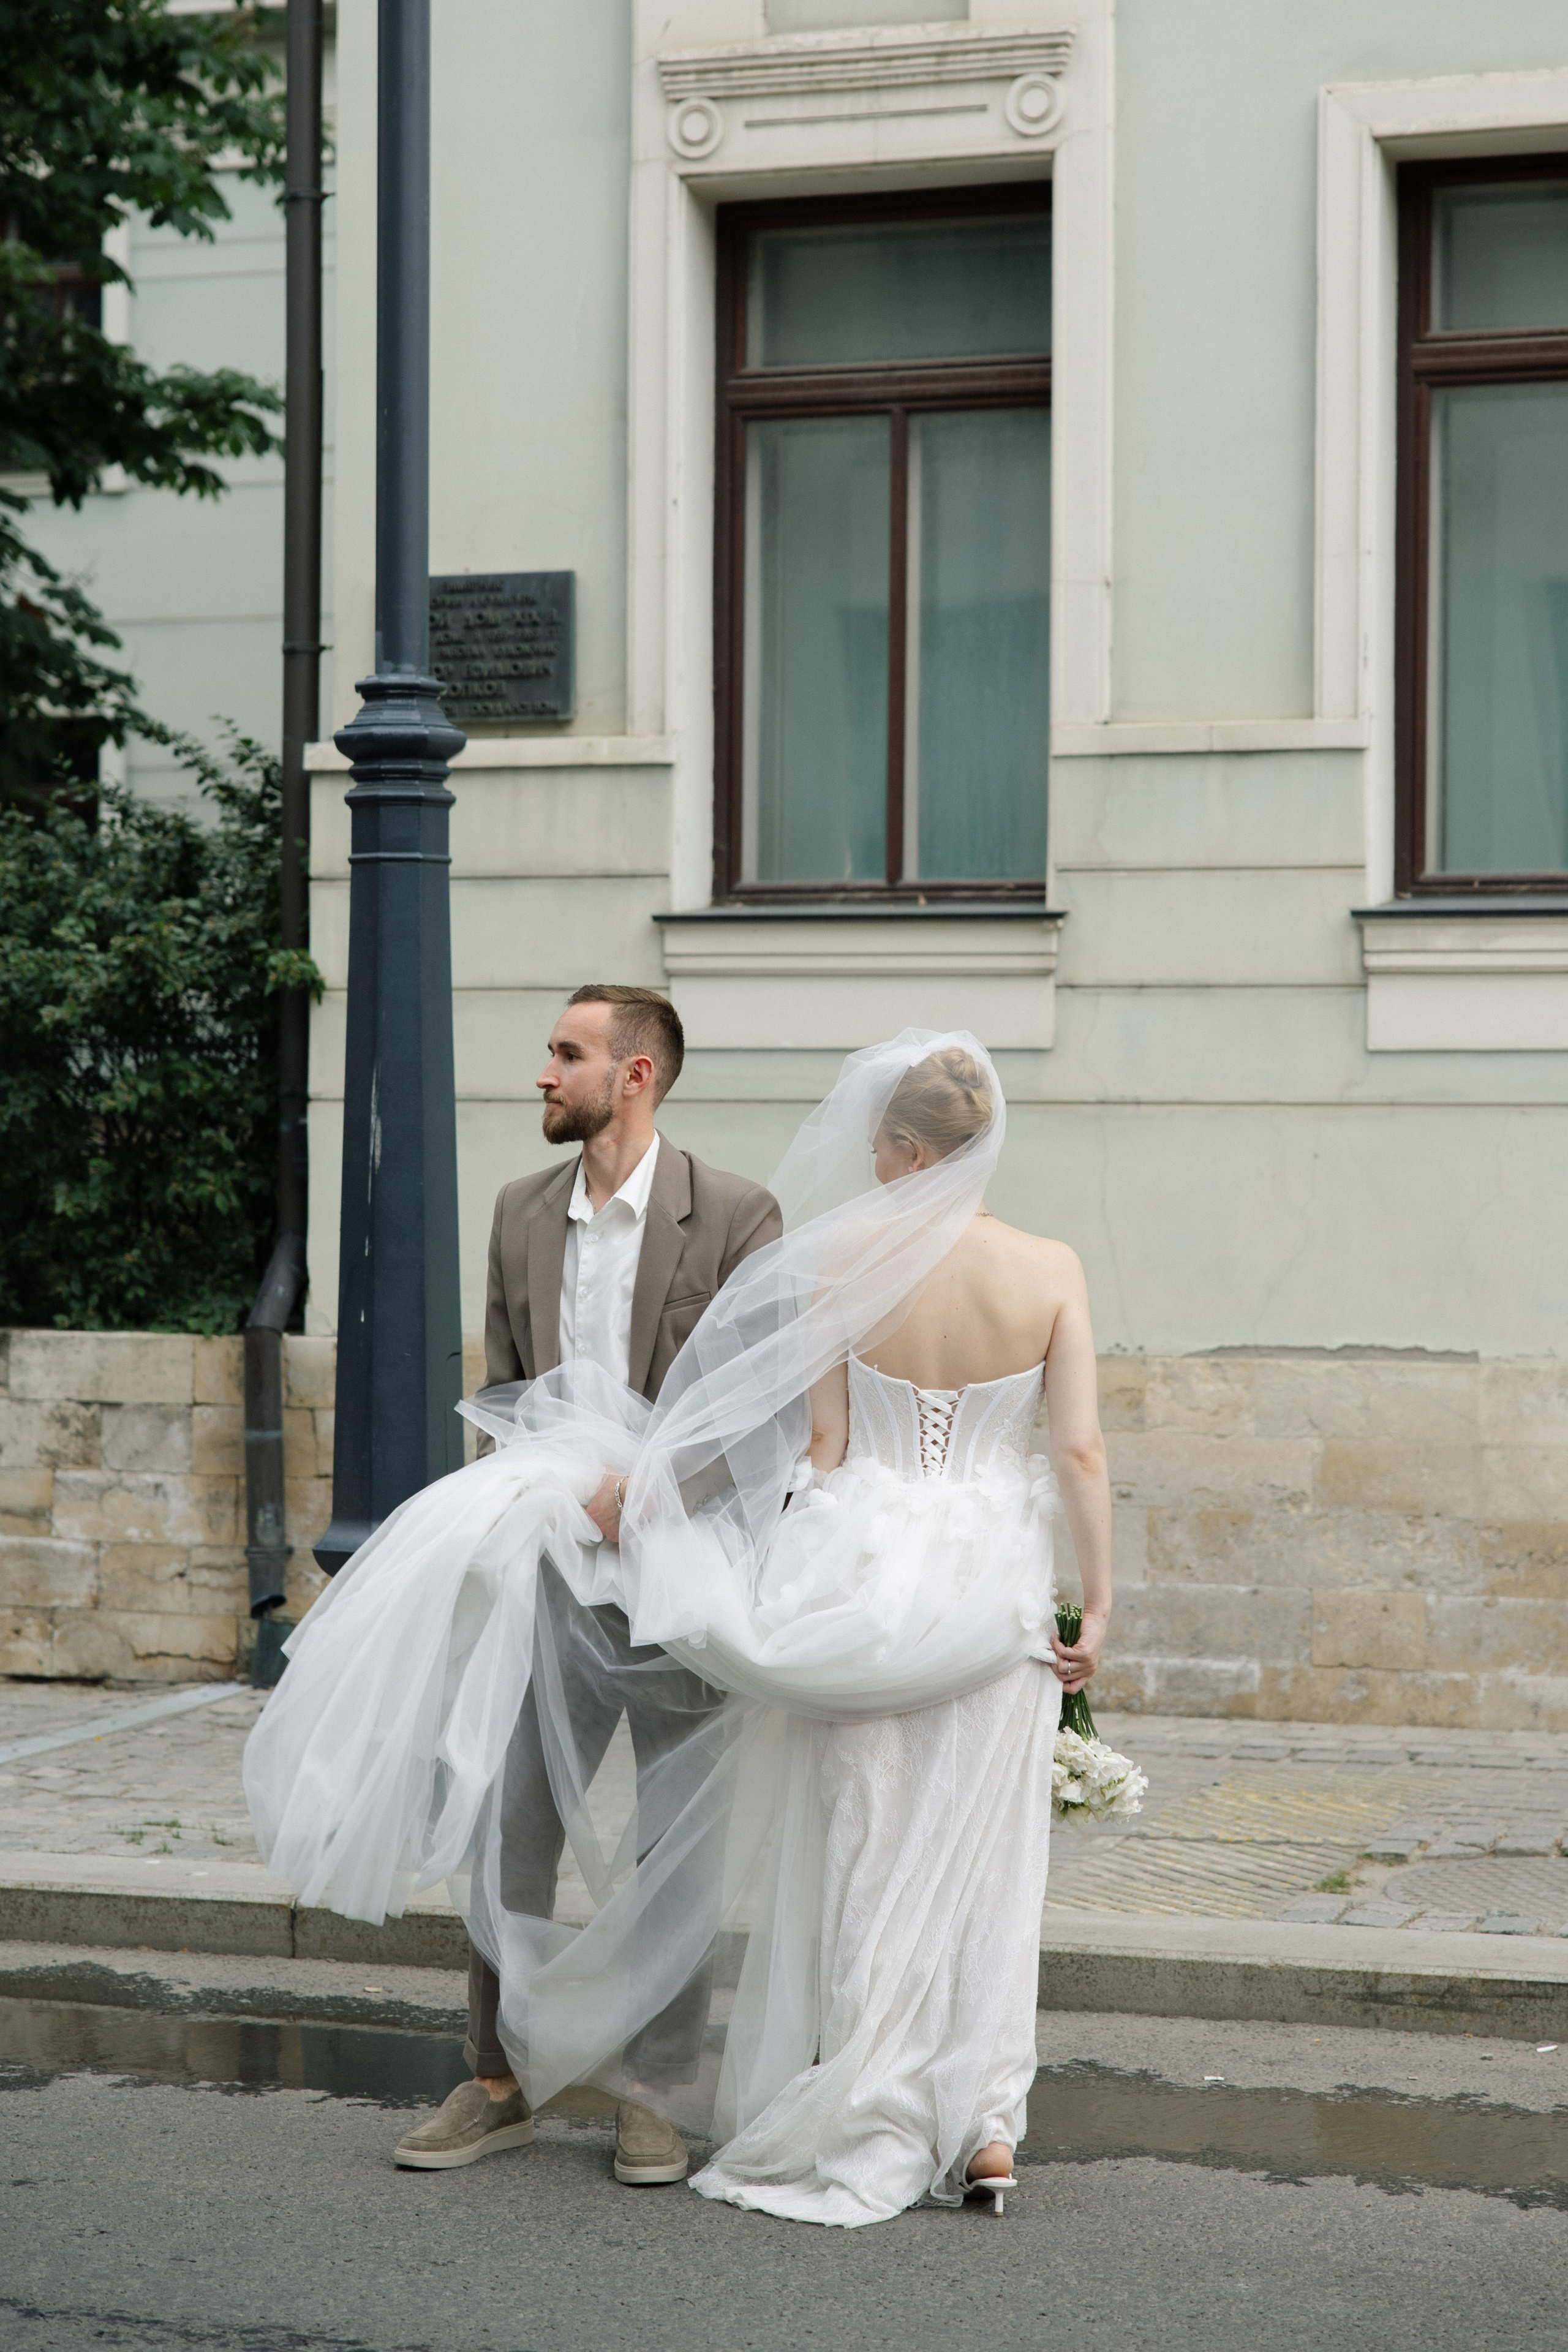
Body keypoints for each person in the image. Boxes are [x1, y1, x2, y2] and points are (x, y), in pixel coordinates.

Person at [243, 1030, 1113, 2228]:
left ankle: (810, 2099)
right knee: (969, 1866)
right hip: (969, 1589)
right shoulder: (1049, 1267)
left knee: (846, 1852)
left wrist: (754, 1558)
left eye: (877, 1144)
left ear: (905, 1148)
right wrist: (1095, 1601)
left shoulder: (800, 1243)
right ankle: (981, 2124)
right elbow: (1073, 1451)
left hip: (839, 1573)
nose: (863, 1160)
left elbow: (806, 1445)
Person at [395, 984, 782, 2185]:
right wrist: (506, 1518)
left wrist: (650, 1485)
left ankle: (652, 2090)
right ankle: (499, 2077)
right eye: (549, 1053)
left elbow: (758, 1397)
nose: (542, 1074)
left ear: (636, 1076)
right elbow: (503, 1394)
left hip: (678, 1578)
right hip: (547, 1573)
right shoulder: (518, 1213)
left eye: (566, 1054)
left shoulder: (733, 1213)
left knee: (675, 1840)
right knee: (509, 1827)